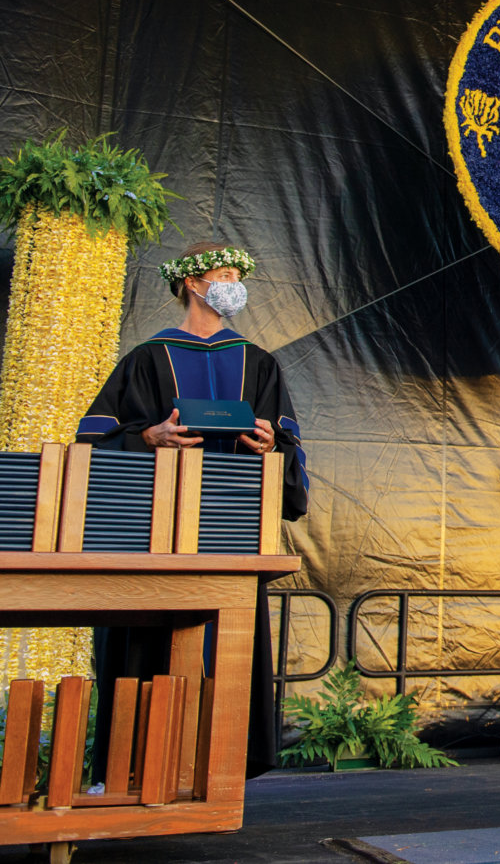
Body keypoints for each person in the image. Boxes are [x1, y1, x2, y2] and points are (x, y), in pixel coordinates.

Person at [80, 242, 308, 782]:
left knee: (223, 646)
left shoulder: (259, 362)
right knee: (146, 644)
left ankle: (219, 769)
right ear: (189, 283)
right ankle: (133, 768)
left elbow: (289, 449)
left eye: (236, 273)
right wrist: (149, 437)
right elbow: (93, 444)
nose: (231, 281)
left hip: (230, 528)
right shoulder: (147, 359)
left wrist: (268, 445)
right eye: (220, 273)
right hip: (155, 532)